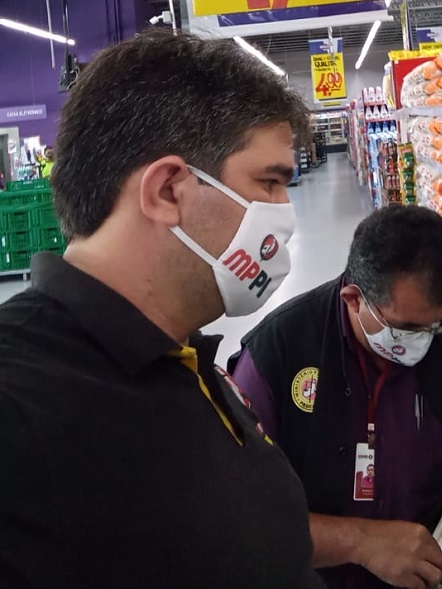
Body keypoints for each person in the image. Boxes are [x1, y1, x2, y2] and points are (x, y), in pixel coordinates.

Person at [0, 30, 325, 589]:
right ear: (169, 190)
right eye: (269, 182)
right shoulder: (18, 405)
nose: (285, 212)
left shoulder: (183, 353)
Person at [232, 205, 442, 589]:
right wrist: (361, 542)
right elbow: (239, 518)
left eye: (435, 324)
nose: (421, 342)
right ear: (353, 298)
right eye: (406, 328)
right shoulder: (278, 353)